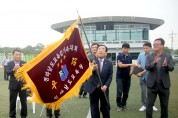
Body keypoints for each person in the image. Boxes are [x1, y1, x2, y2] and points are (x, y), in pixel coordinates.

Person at [145, 38, 174, 118]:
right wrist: (154, 62)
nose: (154, 46)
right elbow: (146, 67)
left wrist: (166, 65)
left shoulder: (168, 56)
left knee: (164, 106)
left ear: (162, 45)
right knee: (149, 105)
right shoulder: (150, 56)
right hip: (152, 85)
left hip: (164, 85)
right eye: (154, 44)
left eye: (156, 44)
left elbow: (171, 68)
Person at [84, 45, 113, 118]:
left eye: (103, 49)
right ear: (96, 52)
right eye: (99, 49)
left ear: (106, 53)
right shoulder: (91, 60)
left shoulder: (109, 63)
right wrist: (92, 69)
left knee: (105, 107)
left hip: (104, 89)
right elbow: (86, 72)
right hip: (93, 88)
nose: (100, 50)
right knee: (94, 107)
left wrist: (106, 86)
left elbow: (110, 76)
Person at [136, 42, 158, 112]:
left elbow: (149, 67)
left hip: (151, 77)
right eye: (144, 48)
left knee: (151, 92)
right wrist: (139, 65)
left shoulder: (154, 56)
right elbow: (138, 62)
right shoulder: (141, 54)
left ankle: (152, 105)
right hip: (143, 77)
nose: (145, 49)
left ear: (150, 48)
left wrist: (141, 72)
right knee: (143, 91)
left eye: (146, 48)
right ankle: (144, 105)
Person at [6, 49, 27, 118]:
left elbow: (27, 73)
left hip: (22, 85)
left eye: (19, 54)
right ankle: (12, 116)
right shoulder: (9, 63)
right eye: (16, 54)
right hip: (13, 86)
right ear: (13, 55)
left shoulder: (24, 63)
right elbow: (7, 73)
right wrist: (13, 70)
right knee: (12, 102)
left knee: (24, 102)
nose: (18, 56)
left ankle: (23, 116)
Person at [116, 43, 134, 111]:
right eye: (124, 48)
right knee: (119, 92)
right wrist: (130, 64)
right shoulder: (119, 56)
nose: (125, 50)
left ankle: (124, 104)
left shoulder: (129, 56)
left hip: (128, 77)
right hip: (120, 77)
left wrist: (131, 71)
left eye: (127, 48)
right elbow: (120, 65)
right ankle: (119, 105)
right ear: (122, 48)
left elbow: (132, 66)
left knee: (126, 92)